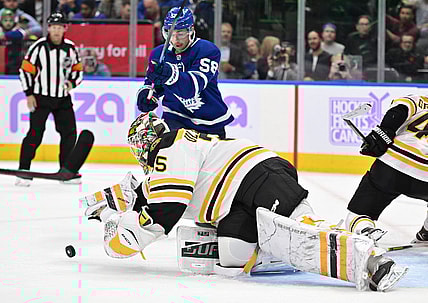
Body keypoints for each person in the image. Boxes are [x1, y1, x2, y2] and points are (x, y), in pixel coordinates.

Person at [83, 111, 408, 292]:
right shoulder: (174, 152)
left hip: (257, 178)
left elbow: (165, 211)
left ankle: (371, 261)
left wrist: (121, 239)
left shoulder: (169, 148)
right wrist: (108, 207)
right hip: (239, 198)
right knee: (231, 259)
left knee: (301, 232)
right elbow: (142, 193)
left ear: (144, 144)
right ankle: (280, 247)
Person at [136, 6, 234, 139]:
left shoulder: (207, 50)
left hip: (209, 121)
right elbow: (153, 83)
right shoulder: (158, 54)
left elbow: (191, 88)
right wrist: (147, 93)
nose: (175, 39)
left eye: (180, 33)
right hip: (175, 117)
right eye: (171, 33)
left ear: (191, 30)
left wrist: (170, 73)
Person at [344, 95, 428, 244]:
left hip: (392, 165)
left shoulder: (420, 100)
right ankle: (426, 234)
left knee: (357, 215)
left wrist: (383, 132)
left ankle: (364, 229)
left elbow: (399, 110)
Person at [16, 11, 83, 186]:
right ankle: (23, 171)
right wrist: (29, 93)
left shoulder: (70, 47)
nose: (56, 30)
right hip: (41, 97)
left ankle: (66, 171)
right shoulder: (38, 47)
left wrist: (72, 83)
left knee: (69, 134)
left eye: (59, 27)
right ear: (48, 27)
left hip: (62, 98)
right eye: (53, 27)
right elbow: (25, 70)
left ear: (64, 28)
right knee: (35, 134)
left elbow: (78, 70)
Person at [0, 8, 27, 74]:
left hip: (14, 66)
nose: (8, 23)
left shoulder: (18, 30)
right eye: (5, 20)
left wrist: (5, 35)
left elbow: (21, 34)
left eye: (10, 20)